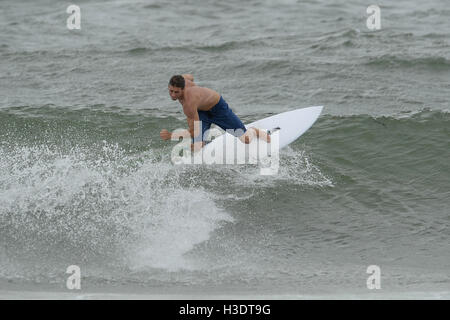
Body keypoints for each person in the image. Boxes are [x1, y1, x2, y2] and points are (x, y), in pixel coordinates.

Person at [160, 74, 270, 150]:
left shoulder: (188, 105)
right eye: (171, 91)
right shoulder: (183, 80)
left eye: (176, 92)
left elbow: (194, 132)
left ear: (183, 89)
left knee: (246, 139)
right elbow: (190, 76)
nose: (173, 95)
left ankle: (253, 131)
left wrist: (172, 135)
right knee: (196, 146)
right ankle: (211, 146)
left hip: (218, 108)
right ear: (168, 86)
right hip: (201, 112)